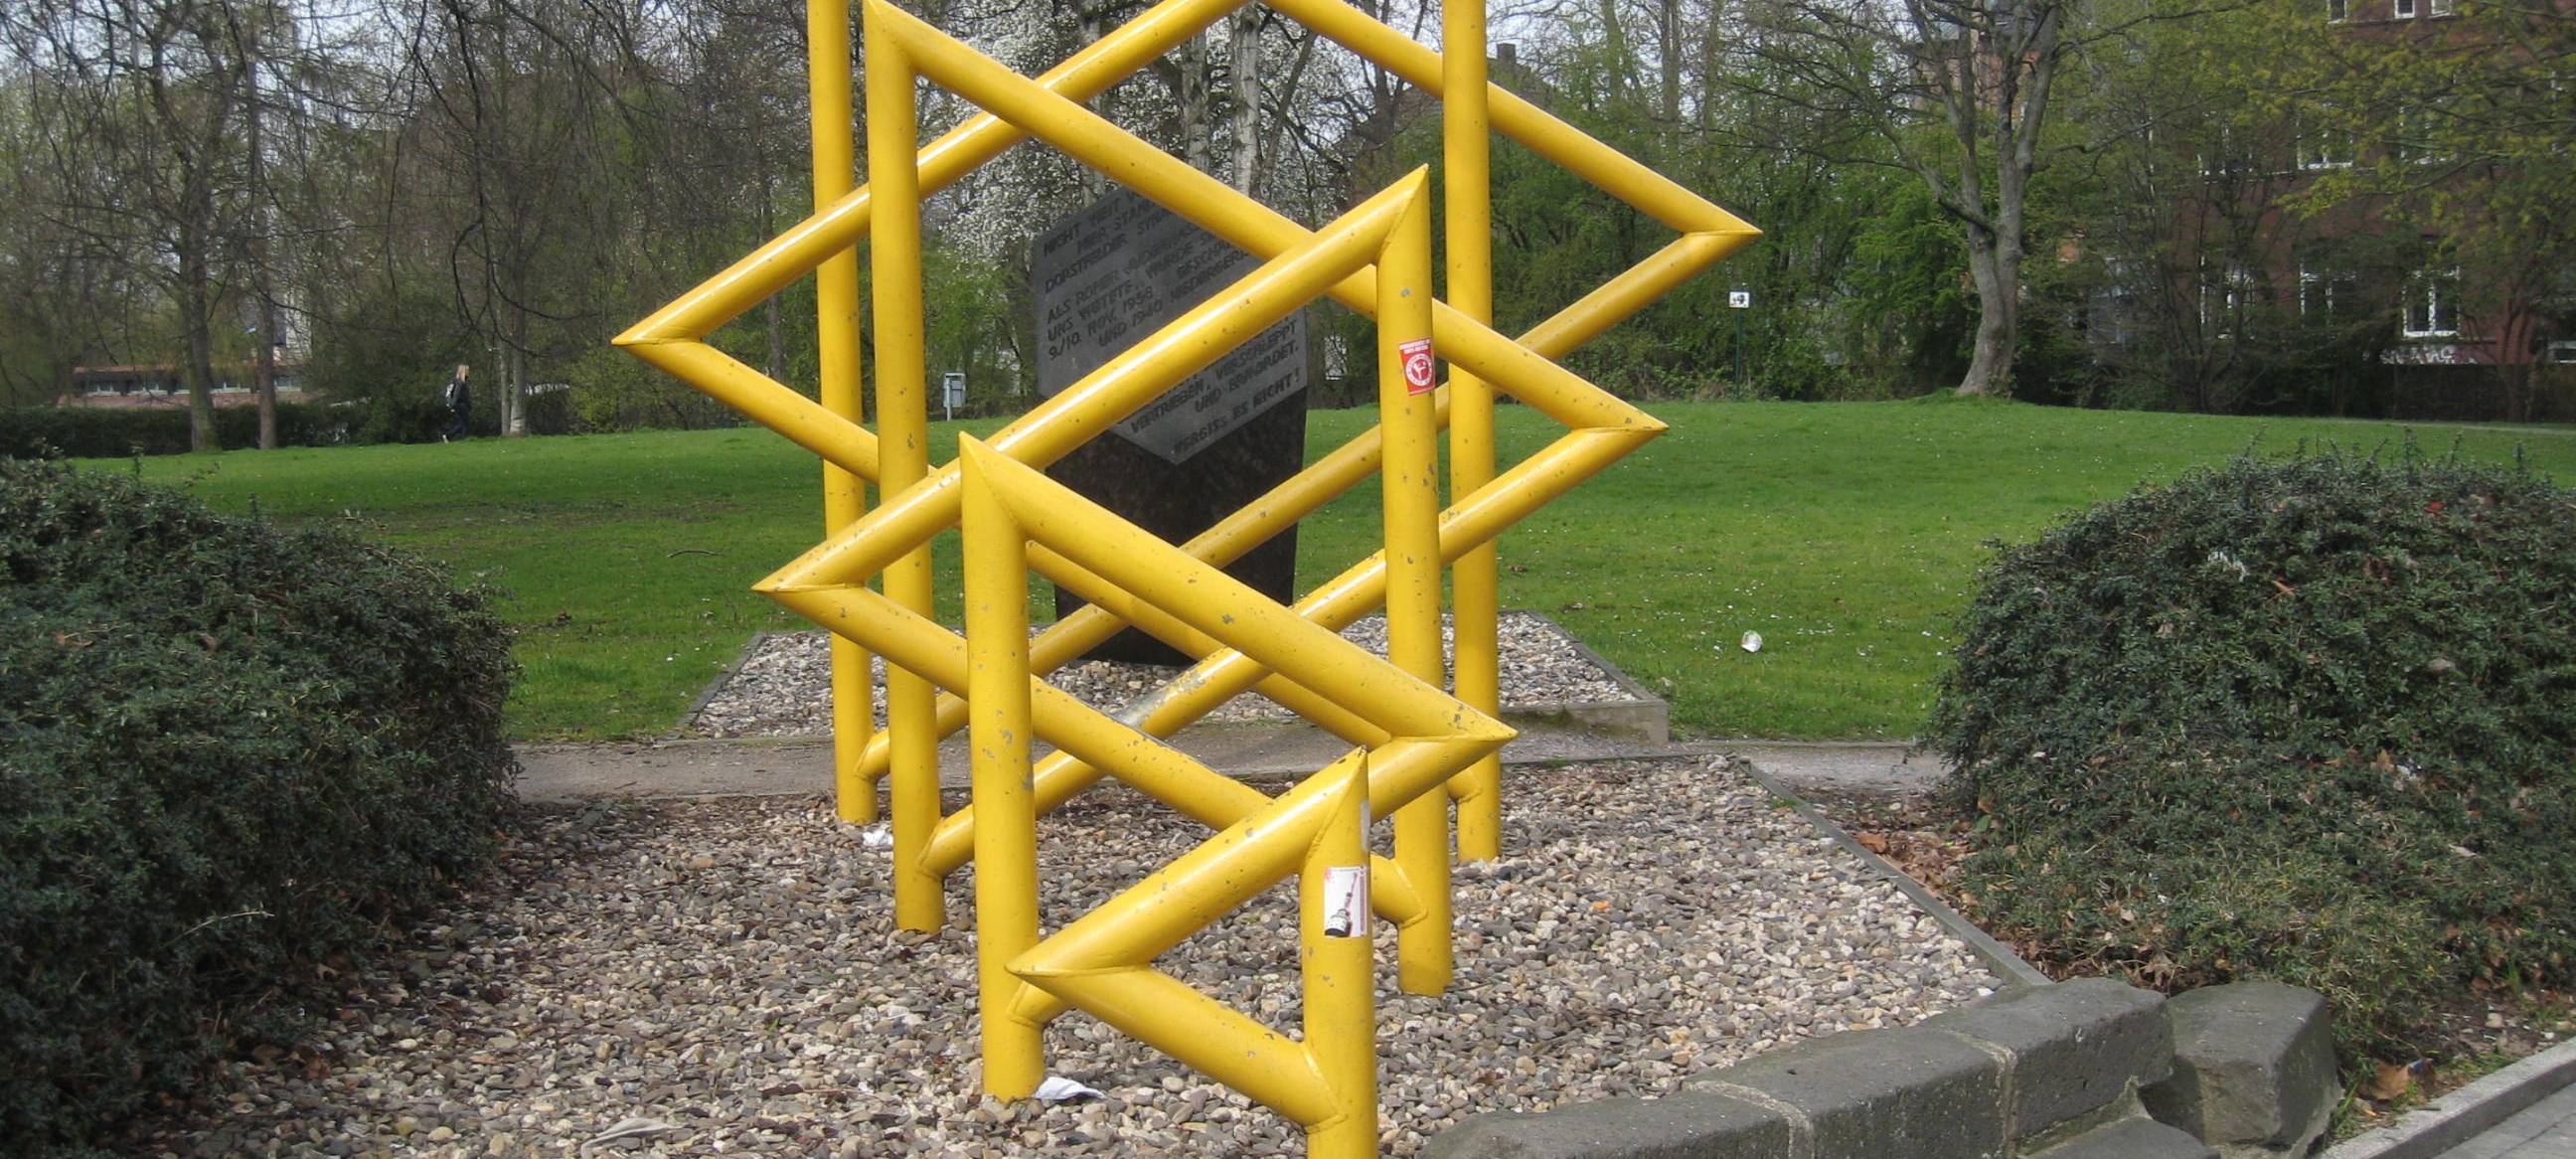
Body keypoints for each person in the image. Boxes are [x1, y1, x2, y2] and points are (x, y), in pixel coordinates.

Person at [441, 365, 471, 441]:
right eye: (467, 371)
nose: (469, 372)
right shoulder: (460, 382)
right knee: (465, 424)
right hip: (460, 404)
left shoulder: (456, 381)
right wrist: (453, 404)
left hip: (458, 404)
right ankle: (463, 438)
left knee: (461, 423)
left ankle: (448, 436)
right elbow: (457, 394)